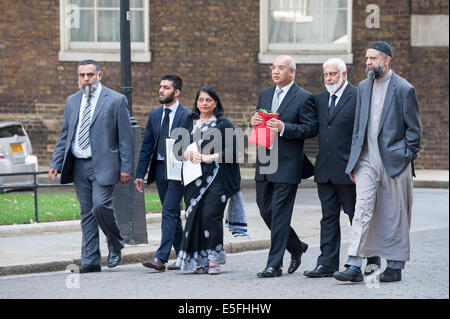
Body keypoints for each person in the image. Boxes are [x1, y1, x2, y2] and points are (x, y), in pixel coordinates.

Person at [333, 41, 422, 283]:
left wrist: (404, 156)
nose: (368, 63)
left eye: (373, 58)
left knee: (395, 214)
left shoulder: (404, 89)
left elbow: (414, 133)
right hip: (365, 161)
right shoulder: (363, 87)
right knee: (362, 211)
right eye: (367, 58)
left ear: (387, 59)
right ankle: (354, 264)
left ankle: (395, 265)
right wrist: (354, 162)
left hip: (395, 162)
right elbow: (358, 128)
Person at [48, 60, 134, 274]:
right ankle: (91, 260)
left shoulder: (115, 100)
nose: (86, 79)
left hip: (103, 165)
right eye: (82, 75)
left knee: (100, 205)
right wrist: (56, 163)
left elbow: (125, 137)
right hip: (78, 165)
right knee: (86, 213)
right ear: (78, 77)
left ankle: (115, 243)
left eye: (90, 74)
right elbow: (65, 135)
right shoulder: (72, 101)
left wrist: (126, 167)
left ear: (99, 75)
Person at [303, 58, 379, 278]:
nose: (328, 79)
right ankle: (326, 263)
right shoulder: (319, 98)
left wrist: (357, 165)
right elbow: (312, 127)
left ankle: (371, 258)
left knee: (357, 215)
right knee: (328, 217)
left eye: (333, 74)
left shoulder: (358, 96)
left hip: (350, 170)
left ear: (344, 75)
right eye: (326, 75)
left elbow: (365, 133)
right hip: (325, 170)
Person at [250, 55, 318, 278]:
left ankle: (274, 265)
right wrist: (253, 122)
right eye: (273, 67)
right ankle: (296, 246)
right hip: (265, 160)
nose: (276, 71)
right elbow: (260, 122)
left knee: (280, 214)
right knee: (264, 209)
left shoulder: (304, 97)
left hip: (288, 163)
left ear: (292, 72)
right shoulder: (265, 94)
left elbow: (310, 128)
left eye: (281, 68)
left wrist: (284, 127)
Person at [175, 86, 241, 275]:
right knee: (194, 217)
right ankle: (200, 260)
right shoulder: (189, 122)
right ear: (196, 102)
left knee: (210, 216)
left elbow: (234, 152)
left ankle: (214, 258)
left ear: (215, 103)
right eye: (201, 100)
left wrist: (209, 157)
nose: (204, 103)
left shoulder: (223, 123)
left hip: (217, 178)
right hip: (192, 178)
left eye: (209, 100)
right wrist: (186, 152)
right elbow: (176, 148)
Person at [135, 74, 191, 272]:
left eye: (166, 88)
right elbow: (147, 145)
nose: (161, 90)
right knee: (173, 215)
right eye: (160, 87)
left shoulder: (187, 116)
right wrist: (140, 173)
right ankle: (186, 255)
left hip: (178, 172)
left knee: (168, 210)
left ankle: (161, 258)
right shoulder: (155, 115)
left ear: (176, 92)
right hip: (159, 170)